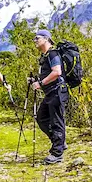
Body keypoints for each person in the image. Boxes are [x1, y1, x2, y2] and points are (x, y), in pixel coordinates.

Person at [31, 28, 68, 164]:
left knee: (57, 121)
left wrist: (41, 83)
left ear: (46, 39)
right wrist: (37, 81)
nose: (35, 41)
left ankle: (57, 153)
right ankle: (59, 142)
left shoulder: (53, 54)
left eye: (37, 38)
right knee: (41, 118)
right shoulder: (46, 56)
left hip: (57, 91)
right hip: (51, 92)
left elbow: (57, 72)